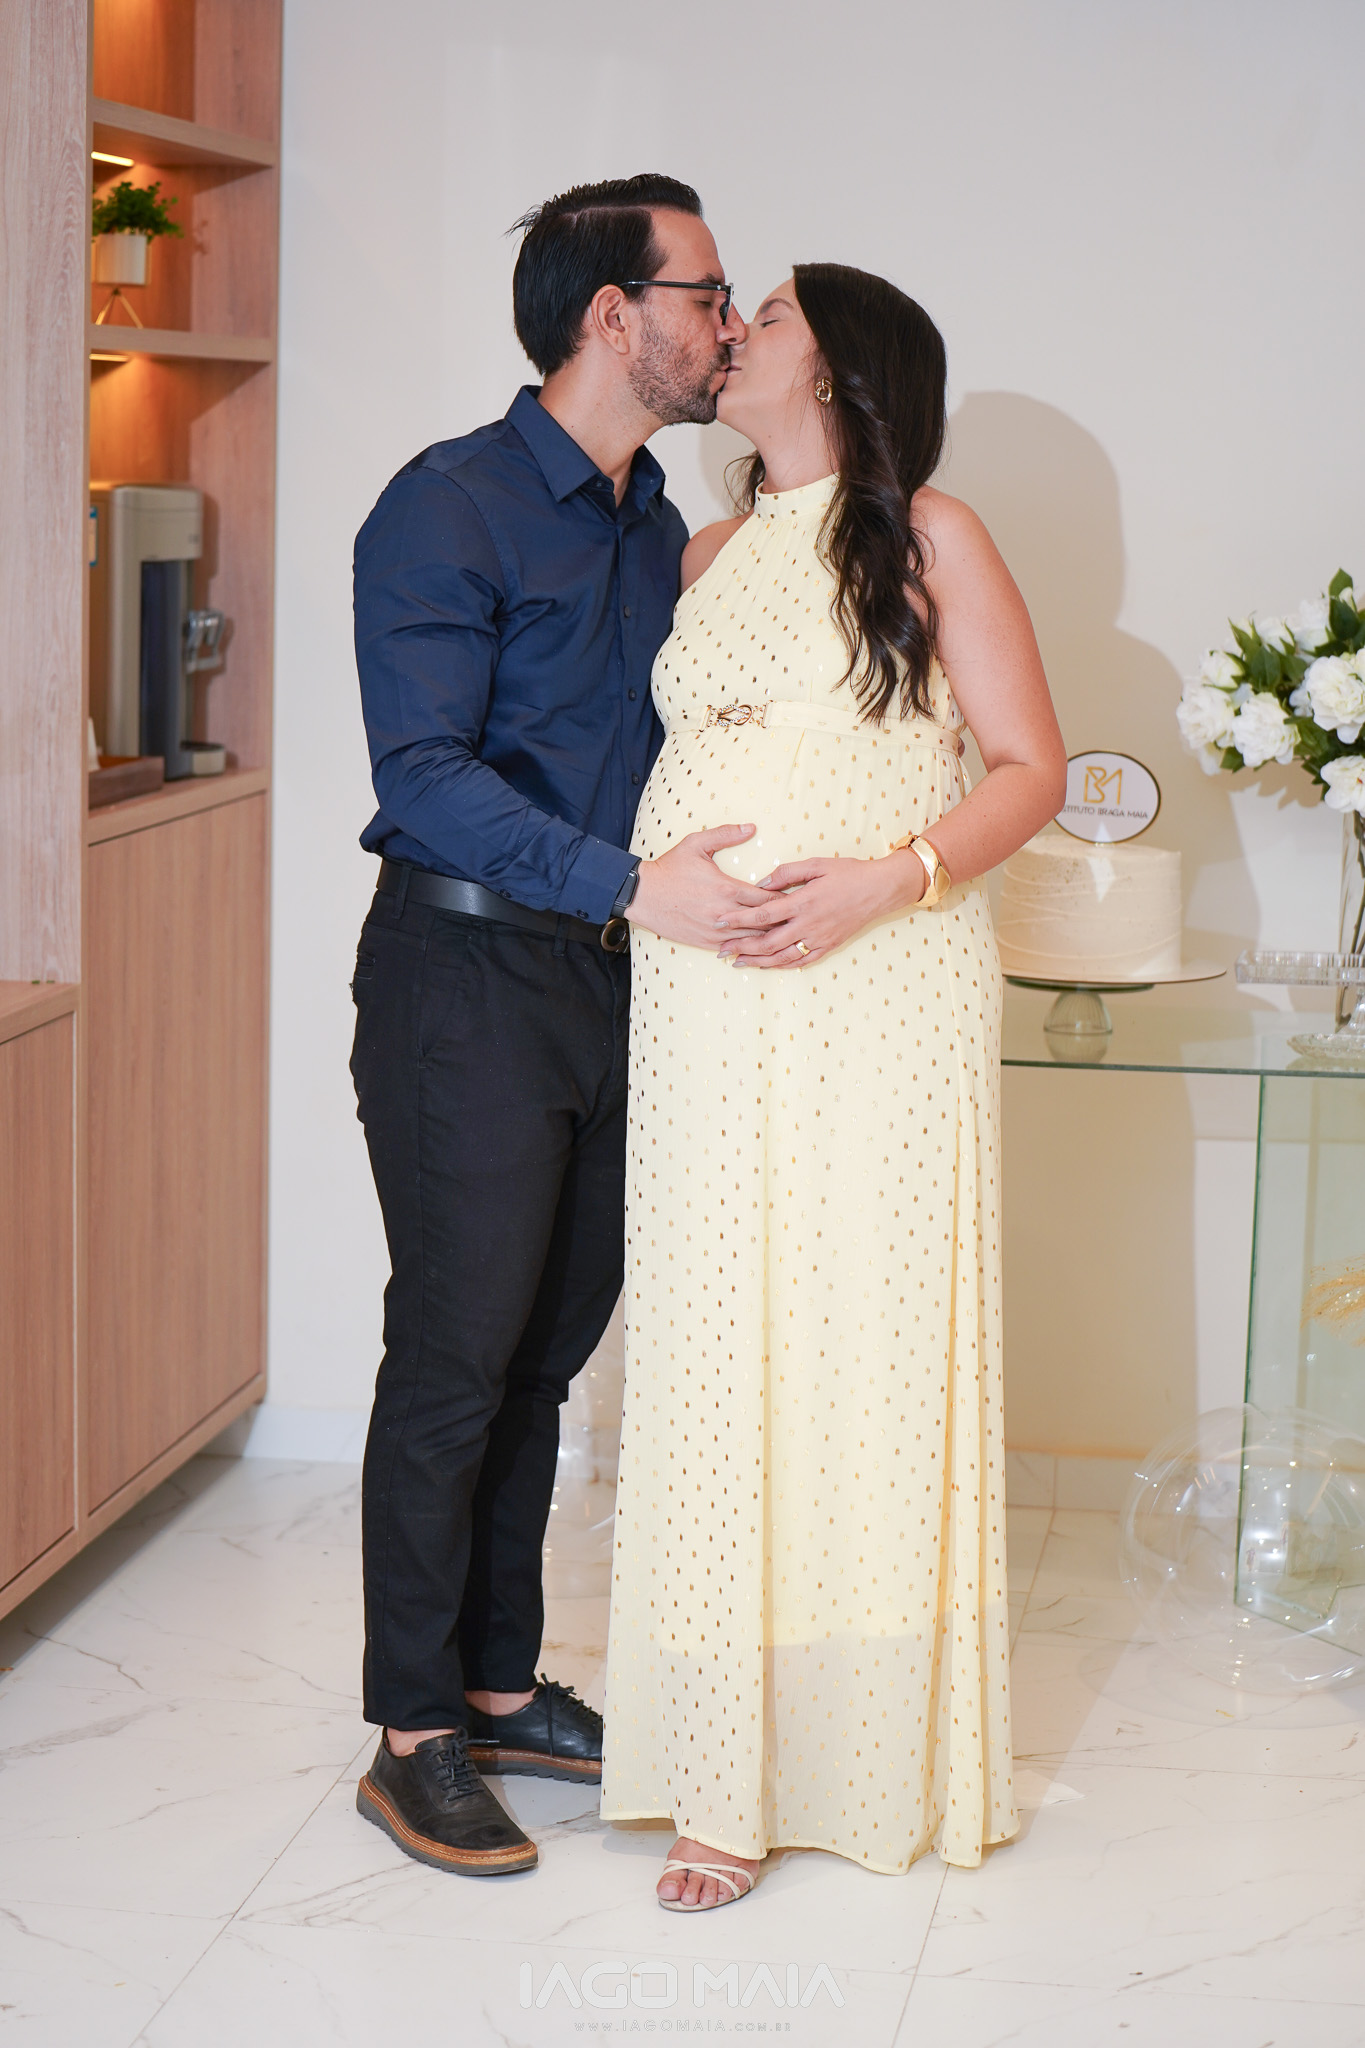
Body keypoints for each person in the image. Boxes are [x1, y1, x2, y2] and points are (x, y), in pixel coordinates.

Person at [600, 264, 1068, 1908]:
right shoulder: (705, 551)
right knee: (713, 1351)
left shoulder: (930, 534)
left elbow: (1032, 767)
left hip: (882, 986)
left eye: (775, 311)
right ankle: (720, 1767)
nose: (735, 327)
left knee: (859, 1344)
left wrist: (890, 879)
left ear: (841, 364)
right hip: (701, 997)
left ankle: (866, 1748)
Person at [348, 175, 762, 1877]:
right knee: (454, 1358)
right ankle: (410, 1735)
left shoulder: (653, 521)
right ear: (612, 314)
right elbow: (422, 776)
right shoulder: (444, 506)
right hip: (463, 983)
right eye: (707, 293)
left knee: (543, 1356)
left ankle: (500, 1684)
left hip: (616, 983)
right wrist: (630, 884)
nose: (727, 324)